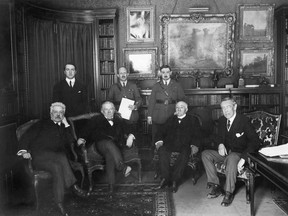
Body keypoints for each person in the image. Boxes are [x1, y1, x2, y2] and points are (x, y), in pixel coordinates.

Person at [17, 102, 88, 216]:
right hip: (40, 158)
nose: (58, 114)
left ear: (63, 115)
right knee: (61, 156)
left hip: (56, 161)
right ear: (51, 113)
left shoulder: (63, 128)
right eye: (55, 112)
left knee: (57, 167)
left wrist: (66, 124)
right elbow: (26, 137)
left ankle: (59, 203)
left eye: (61, 112)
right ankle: (73, 185)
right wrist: (23, 151)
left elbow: (71, 142)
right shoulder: (41, 123)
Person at [201, 97, 260, 207]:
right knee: (205, 154)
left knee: (232, 157)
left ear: (235, 107)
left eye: (228, 107)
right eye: (223, 108)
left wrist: (243, 158)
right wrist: (220, 144)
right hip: (225, 154)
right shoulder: (222, 120)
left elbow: (255, 141)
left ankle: (228, 193)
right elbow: (218, 137)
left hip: (238, 154)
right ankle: (216, 186)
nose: (226, 111)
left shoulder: (244, 121)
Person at [77, 101, 135, 193]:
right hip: (100, 146)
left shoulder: (118, 119)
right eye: (106, 110)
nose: (108, 112)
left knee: (110, 155)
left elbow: (130, 129)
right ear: (102, 111)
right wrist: (81, 138)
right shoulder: (96, 119)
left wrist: (131, 136)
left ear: (114, 110)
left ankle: (111, 187)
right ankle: (122, 167)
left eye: (111, 109)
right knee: (108, 143)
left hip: (114, 147)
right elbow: (86, 130)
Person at [154, 101, 202, 193]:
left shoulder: (193, 120)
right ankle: (165, 178)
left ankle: (175, 180)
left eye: (181, 107)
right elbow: (160, 131)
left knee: (185, 152)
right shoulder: (171, 119)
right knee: (162, 150)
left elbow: (198, 134)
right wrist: (159, 141)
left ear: (186, 109)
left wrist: (194, 145)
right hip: (170, 144)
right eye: (177, 108)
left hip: (185, 145)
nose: (179, 109)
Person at [147, 65, 185, 148]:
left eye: (167, 72)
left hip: (172, 113)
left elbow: (182, 100)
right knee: (156, 136)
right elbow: (152, 101)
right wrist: (149, 116)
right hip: (158, 114)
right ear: (160, 73)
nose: (165, 74)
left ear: (170, 73)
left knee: (171, 136)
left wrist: (178, 112)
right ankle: (154, 156)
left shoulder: (176, 85)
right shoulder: (156, 85)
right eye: (163, 72)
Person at [107, 66, 142, 133]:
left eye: (124, 73)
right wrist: (115, 111)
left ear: (127, 74)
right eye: (121, 73)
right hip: (119, 115)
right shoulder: (113, 87)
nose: (123, 75)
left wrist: (135, 106)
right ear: (118, 75)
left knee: (132, 134)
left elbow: (139, 99)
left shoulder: (133, 86)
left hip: (131, 114)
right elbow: (109, 101)